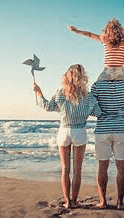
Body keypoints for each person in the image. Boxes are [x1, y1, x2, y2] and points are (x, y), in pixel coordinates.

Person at [33, 64, 102, 209]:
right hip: (79, 133)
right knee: (77, 170)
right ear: (82, 78)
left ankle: (67, 202)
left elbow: (47, 106)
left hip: (64, 132)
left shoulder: (60, 92)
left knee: (65, 169)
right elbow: (98, 113)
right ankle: (75, 200)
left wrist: (39, 93)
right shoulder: (88, 96)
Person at [90, 78, 124, 210]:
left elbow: (90, 108)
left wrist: (102, 110)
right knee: (121, 166)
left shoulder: (97, 85)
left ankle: (102, 202)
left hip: (102, 130)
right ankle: (120, 203)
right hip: (121, 130)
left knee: (102, 166)